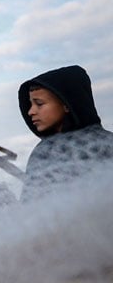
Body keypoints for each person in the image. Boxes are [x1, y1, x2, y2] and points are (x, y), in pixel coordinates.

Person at [18, 64, 113, 199]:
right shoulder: (109, 141)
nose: (31, 111)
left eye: (39, 104)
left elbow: (31, 210)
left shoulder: (46, 151)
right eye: (30, 104)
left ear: (66, 105)